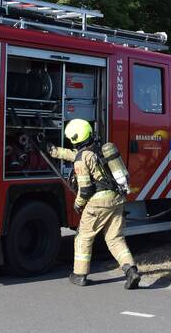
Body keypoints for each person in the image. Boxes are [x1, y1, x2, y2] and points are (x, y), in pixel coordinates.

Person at [46, 119, 140, 289]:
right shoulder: (99, 149)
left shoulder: (82, 159)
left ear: (74, 138)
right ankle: (131, 271)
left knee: (83, 237)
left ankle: (79, 275)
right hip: (116, 199)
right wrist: (53, 151)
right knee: (115, 238)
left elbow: (86, 189)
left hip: (98, 203)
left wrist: (78, 204)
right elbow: (74, 155)